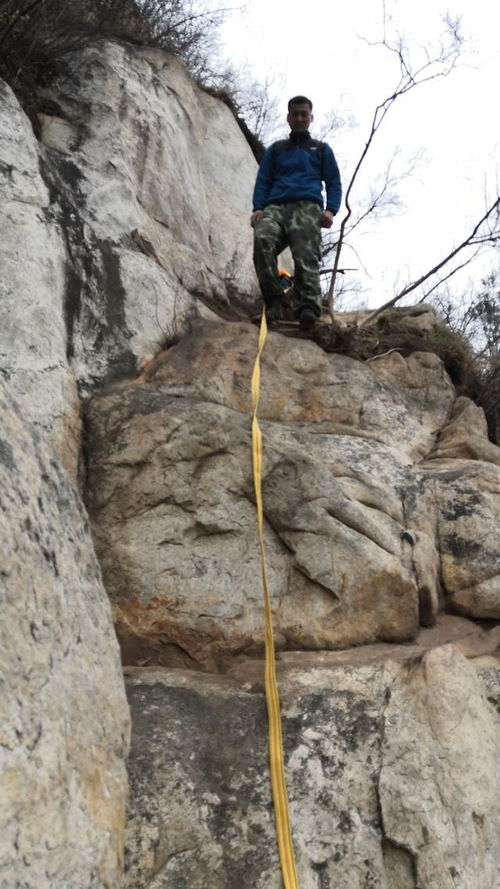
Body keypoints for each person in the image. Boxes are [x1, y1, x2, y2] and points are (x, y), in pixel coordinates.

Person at [251, 95, 342, 329]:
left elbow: (333, 182)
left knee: (306, 256)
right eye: (295, 114)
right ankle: (274, 303)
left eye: (304, 114)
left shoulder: (321, 149)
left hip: (307, 206)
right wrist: (258, 208)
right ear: (288, 118)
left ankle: (308, 309)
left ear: (311, 117)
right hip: (276, 207)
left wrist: (331, 211)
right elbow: (263, 180)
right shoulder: (276, 149)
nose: (300, 118)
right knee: (262, 239)